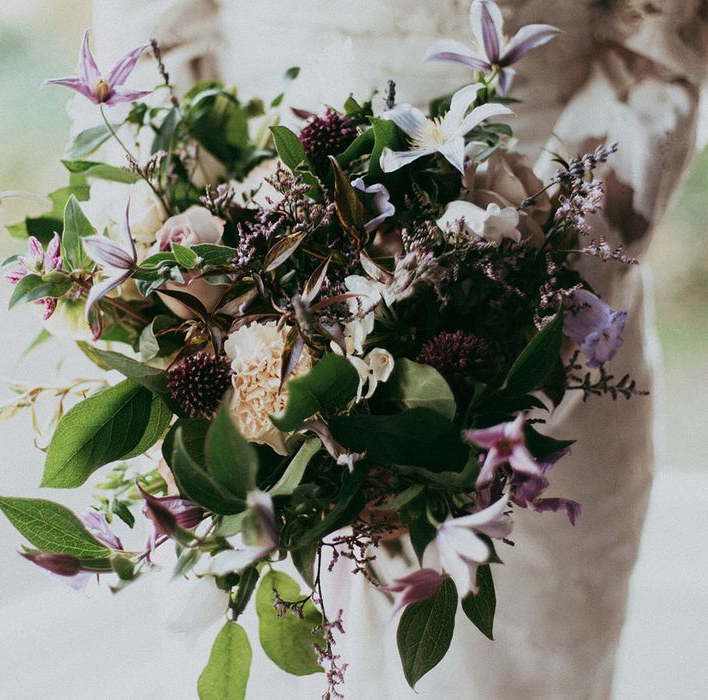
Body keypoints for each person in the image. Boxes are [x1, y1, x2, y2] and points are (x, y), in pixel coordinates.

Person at [92, 2, 708, 698]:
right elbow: (150, 32)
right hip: (244, 303)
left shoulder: (541, 293)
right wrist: (210, 283)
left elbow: (661, 31)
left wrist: (519, 296)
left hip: (545, 294)